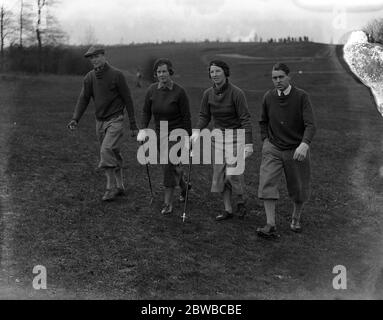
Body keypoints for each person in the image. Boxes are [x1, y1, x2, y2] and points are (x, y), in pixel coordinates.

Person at [67, 46, 138, 201]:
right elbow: (83, 99)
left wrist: (133, 123)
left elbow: (128, 99)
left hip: (116, 120)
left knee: (106, 150)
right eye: (91, 58)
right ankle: (120, 186)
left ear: (104, 56)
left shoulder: (117, 75)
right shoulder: (89, 78)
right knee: (114, 153)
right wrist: (75, 118)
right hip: (100, 122)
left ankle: (110, 188)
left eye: (97, 56)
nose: (94, 60)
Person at [257, 62, 316, 237]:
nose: (277, 81)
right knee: (266, 182)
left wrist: (304, 144)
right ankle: (270, 224)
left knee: (299, 188)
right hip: (273, 147)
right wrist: (266, 141)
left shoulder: (301, 97)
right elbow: (263, 121)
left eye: (281, 77)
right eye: (274, 78)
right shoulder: (268, 96)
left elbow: (311, 125)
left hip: (296, 149)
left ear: (289, 77)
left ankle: (296, 218)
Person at [190, 60, 253, 221]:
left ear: (225, 72)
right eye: (212, 72)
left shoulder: (237, 93)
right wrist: (197, 131)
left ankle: (241, 200)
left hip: (235, 137)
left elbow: (245, 118)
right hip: (217, 138)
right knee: (219, 175)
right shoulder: (208, 94)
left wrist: (248, 143)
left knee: (233, 174)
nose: (215, 75)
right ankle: (228, 209)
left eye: (218, 71)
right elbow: (204, 115)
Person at [137, 58, 192, 215]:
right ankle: (184, 186)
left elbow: (186, 116)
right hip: (160, 133)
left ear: (170, 72)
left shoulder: (179, 92)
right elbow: (146, 111)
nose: (162, 74)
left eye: (164, 71)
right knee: (172, 166)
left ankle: (167, 203)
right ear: (156, 74)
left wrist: (187, 139)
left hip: (177, 133)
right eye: (159, 72)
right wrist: (143, 129)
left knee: (168, 164)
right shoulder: (151, 90)